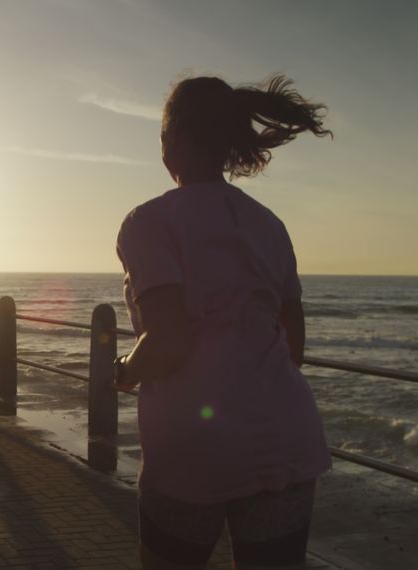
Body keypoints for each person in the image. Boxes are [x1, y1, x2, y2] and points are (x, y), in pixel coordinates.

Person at [113, 74, 333, 569]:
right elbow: (293, 343)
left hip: (194, 446)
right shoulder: (268, 224)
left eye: (163, 134)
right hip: (285, 439)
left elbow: (169, 340)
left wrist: (124, 369)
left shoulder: (147, 222)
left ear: (175, 141)